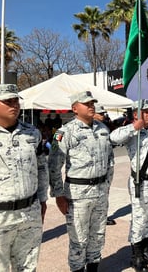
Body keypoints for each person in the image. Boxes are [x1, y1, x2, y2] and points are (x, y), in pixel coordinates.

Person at [48, 91, 114, 272]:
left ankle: (93, 268)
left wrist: (107, 185)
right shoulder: (64, 132)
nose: (91, 106)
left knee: (98, 236)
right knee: (79, 240)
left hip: (100, 192)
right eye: (87, 103)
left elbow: (110, 160)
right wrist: (58, 195)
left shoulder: (102, 128)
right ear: (75, 108)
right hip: (78, 194)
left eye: (92, 103)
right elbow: (54, 165)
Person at [110, 99, 148, 272]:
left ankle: (146, 252)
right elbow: (113, 137)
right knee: (139, 220)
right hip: (141, 183)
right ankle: (136, 257)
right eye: (146, 112)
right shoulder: (132, 134)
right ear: (136, 114)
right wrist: (134, 126)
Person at [0, 84, 48, 272]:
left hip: (29, 212)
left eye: (16, 100)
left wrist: (43, 199)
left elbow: (41, 168)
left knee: (28, 267)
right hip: (0, 216)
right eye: (7, 101)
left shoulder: (32, 133)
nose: (14, 105)